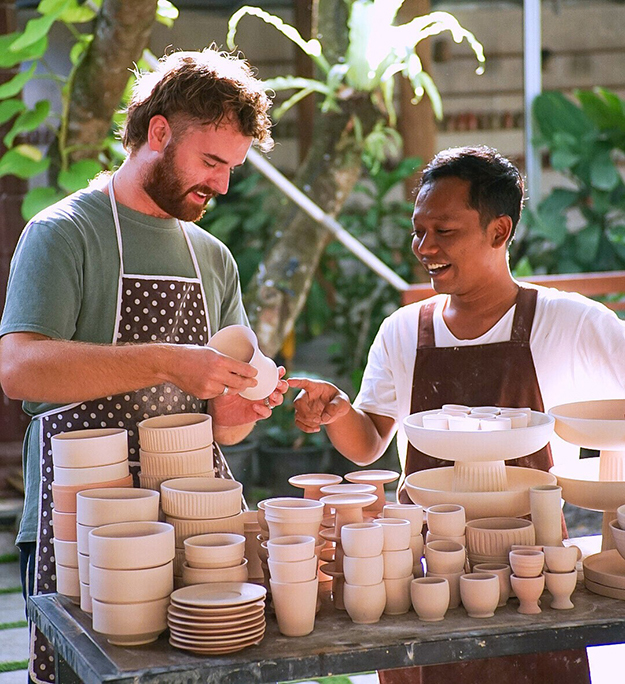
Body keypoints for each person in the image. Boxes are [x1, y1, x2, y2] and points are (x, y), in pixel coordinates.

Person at [0, 47, 287, 684]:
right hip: (78, 529)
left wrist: (242, 402)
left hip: (191, 522)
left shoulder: (213, 257)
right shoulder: (65, 232)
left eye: (233, 168)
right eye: (211, 161)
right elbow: (20, 369)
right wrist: (165, 362)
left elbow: (226, 427)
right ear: (158, 132)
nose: (222, 185)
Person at [290, 145, 625, 683]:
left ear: (499, 231)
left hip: (533, 578)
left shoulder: (572, 321)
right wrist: (337, 411)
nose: (425, 247)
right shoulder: (403, 329)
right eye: (418, 231)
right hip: (420, 572)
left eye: (444, 231)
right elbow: (369, 443)